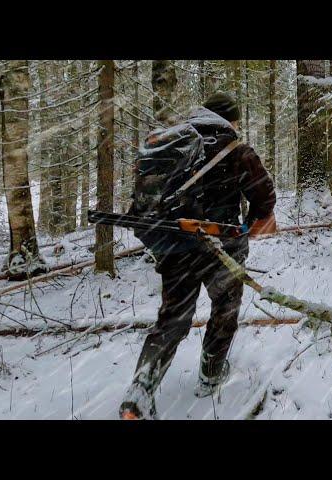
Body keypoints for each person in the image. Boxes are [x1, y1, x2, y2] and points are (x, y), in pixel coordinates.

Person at [120, 92, 276, 419]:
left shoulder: (172, 146)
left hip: (176, 248)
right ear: (229, 120)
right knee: (224, 310)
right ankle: (210, 372)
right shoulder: (236, 150)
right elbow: (264, 197)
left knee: (172, 320)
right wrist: (248, 224)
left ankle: (140, 390)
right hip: (222, 248)